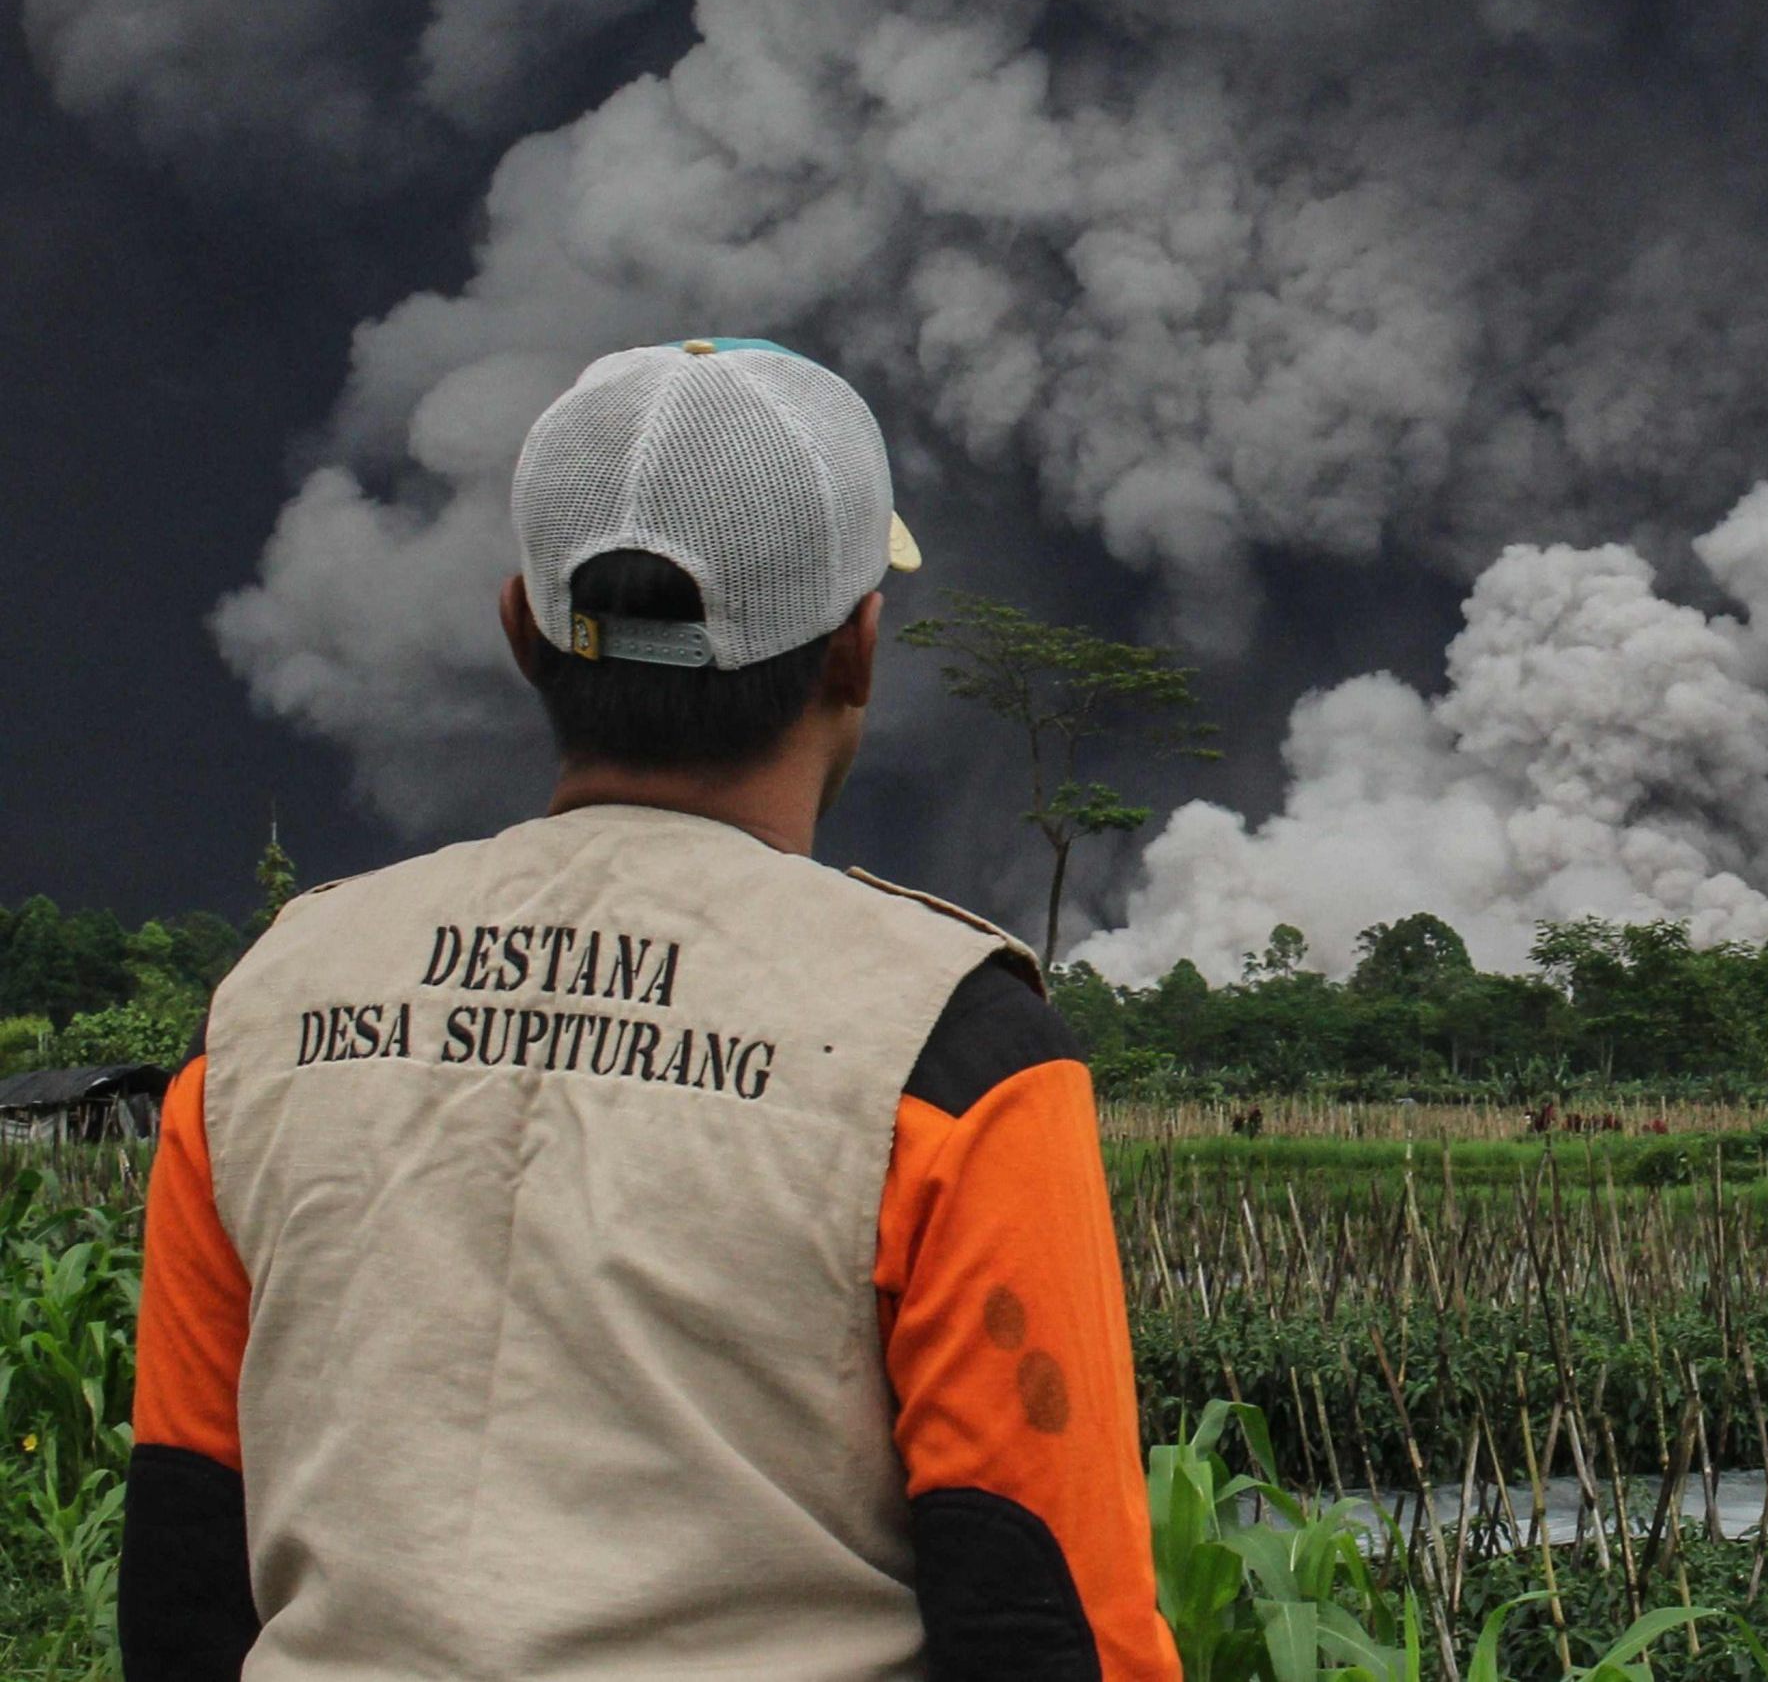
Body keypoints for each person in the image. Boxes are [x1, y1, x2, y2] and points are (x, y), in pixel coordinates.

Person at [121, 338, 1181, 1682]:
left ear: (520, 630)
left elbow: (180, 1563)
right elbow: (1047, 1623)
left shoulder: (268, 1012)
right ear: (858, 647)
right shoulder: (945, 1051)